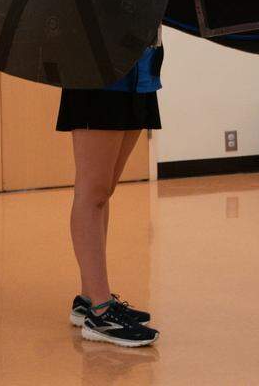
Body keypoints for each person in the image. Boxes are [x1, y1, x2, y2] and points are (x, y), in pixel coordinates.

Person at [56, 37, 162, 347]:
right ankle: (100, 313)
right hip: (97, 66)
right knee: (92, 192)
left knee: (104, 191)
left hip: (140, 65)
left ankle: (89, 297)